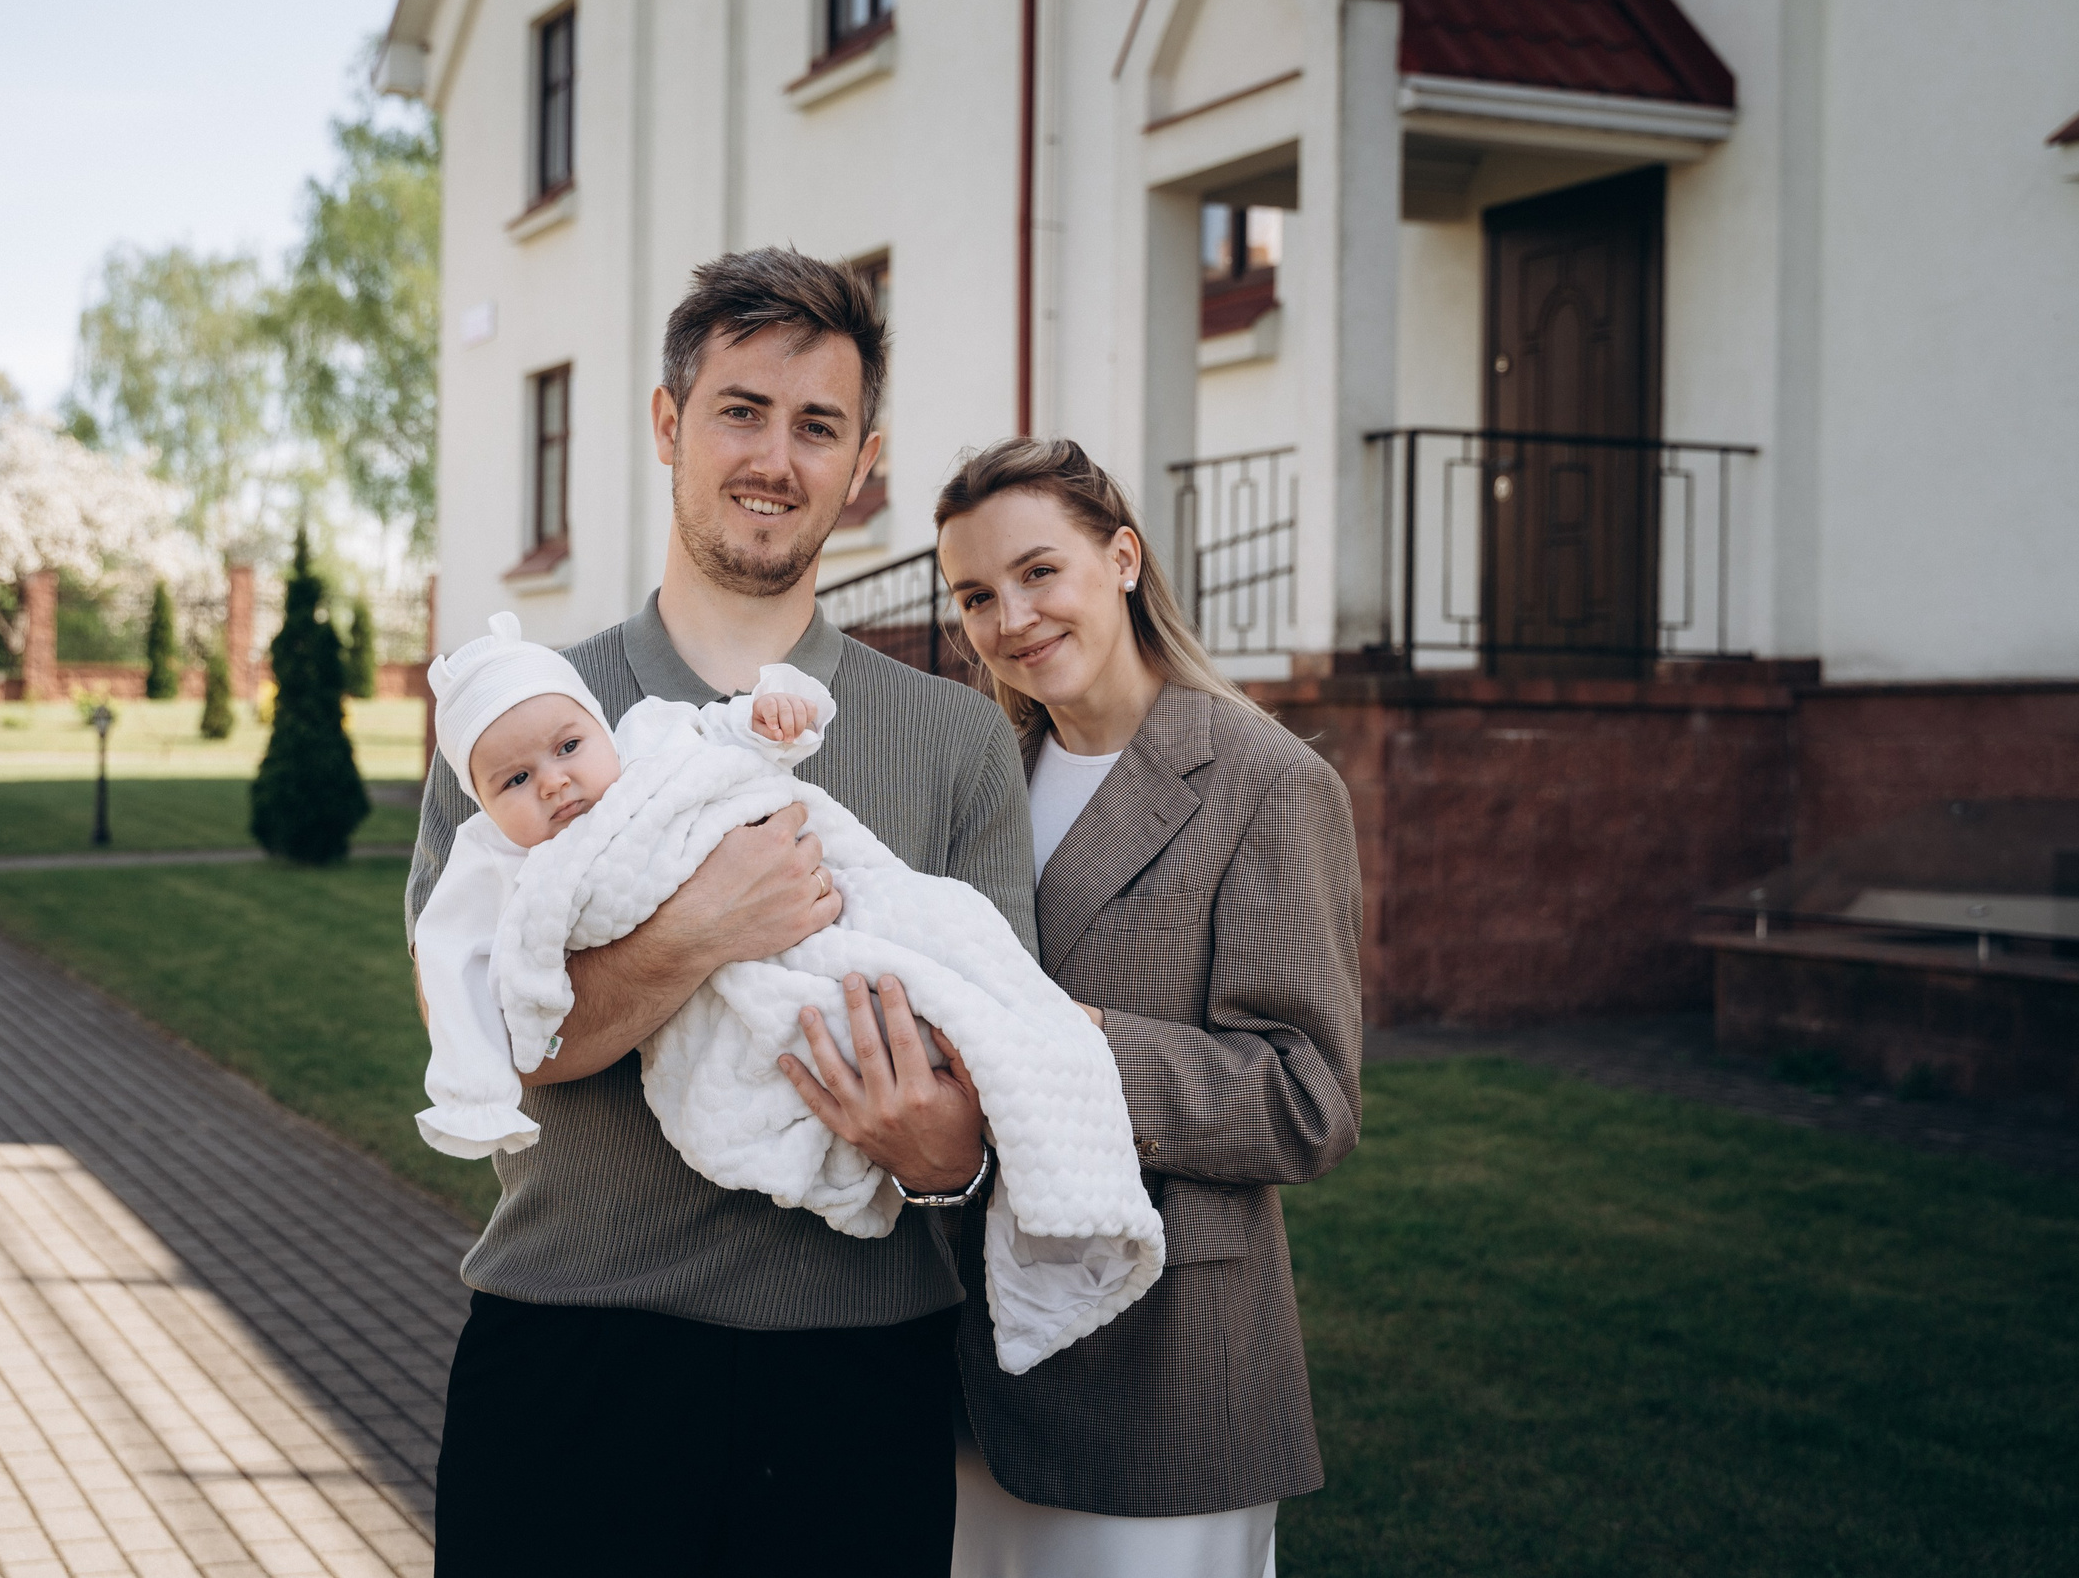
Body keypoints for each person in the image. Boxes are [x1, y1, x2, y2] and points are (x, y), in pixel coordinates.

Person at [405, 249, 1034, 1578]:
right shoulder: (520, 722)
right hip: (575, 1354)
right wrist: (704, 927)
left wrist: (942, 1146)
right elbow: (489, 1046)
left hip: (857, 1374)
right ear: (667, 424)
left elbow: (999, 1061)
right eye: (742, 410)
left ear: (862, 463)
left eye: (818, 427)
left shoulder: (952, 737)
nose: (775, 458)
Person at [787, 436, 1363, 1576]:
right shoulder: (984, 773)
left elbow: (1307, 1098)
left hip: (1160, 1375)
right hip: (963, 1358)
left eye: (1039, 571)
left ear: (1123, 558)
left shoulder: (1266, 781)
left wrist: (1084, 1045)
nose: (1010, 617)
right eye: (975, 595)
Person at [409, 612, 831, 1160]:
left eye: (567, 748)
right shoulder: (491, 857)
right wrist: (476, 1096)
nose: (553, 782)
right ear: (484, 807)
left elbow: (719, 733)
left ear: (600, 730)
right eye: (516, 779)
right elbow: (450, 964)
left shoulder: (645, 741)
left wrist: (771, 716)